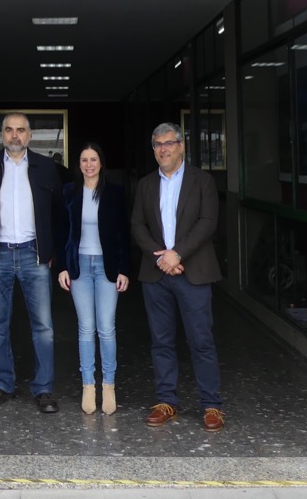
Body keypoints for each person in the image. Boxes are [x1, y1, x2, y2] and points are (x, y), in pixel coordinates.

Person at [130, 122, 224, 432]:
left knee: (201, 341)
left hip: (193, 273)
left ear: (181, 146)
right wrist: (161, 257)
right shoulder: (145, 184)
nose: (163, 149)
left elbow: (208, 222)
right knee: (161, 342)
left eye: (169, 143)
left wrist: (178, 254)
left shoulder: (202, 181)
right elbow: (137, 225)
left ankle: (211, 405)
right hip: (156, 274)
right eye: (158, 144)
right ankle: (166, 402)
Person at [0, 112, 62, 412]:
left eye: (21, 130)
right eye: (9, 130)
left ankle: (43, 389)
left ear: (29, 135)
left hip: (34, 254)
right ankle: (2, 384)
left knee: (43, 327)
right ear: (2, 135)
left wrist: (51, 249)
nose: (15, 135)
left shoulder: (45, 167)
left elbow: (59, 212)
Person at [54, 142, 131, 415]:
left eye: (93, 159)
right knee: (86, 328)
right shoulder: (68, 192)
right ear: (79, 164)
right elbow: (61, 232)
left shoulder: (114, 193)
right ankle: (88, 385)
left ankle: (108, 385)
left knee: (106, 328)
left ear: (101, 163)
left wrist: (124, 269)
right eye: (84, 160)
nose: (89, 164)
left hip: (106, 266)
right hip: (80, 266)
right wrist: (62, 267)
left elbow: (123, 233)